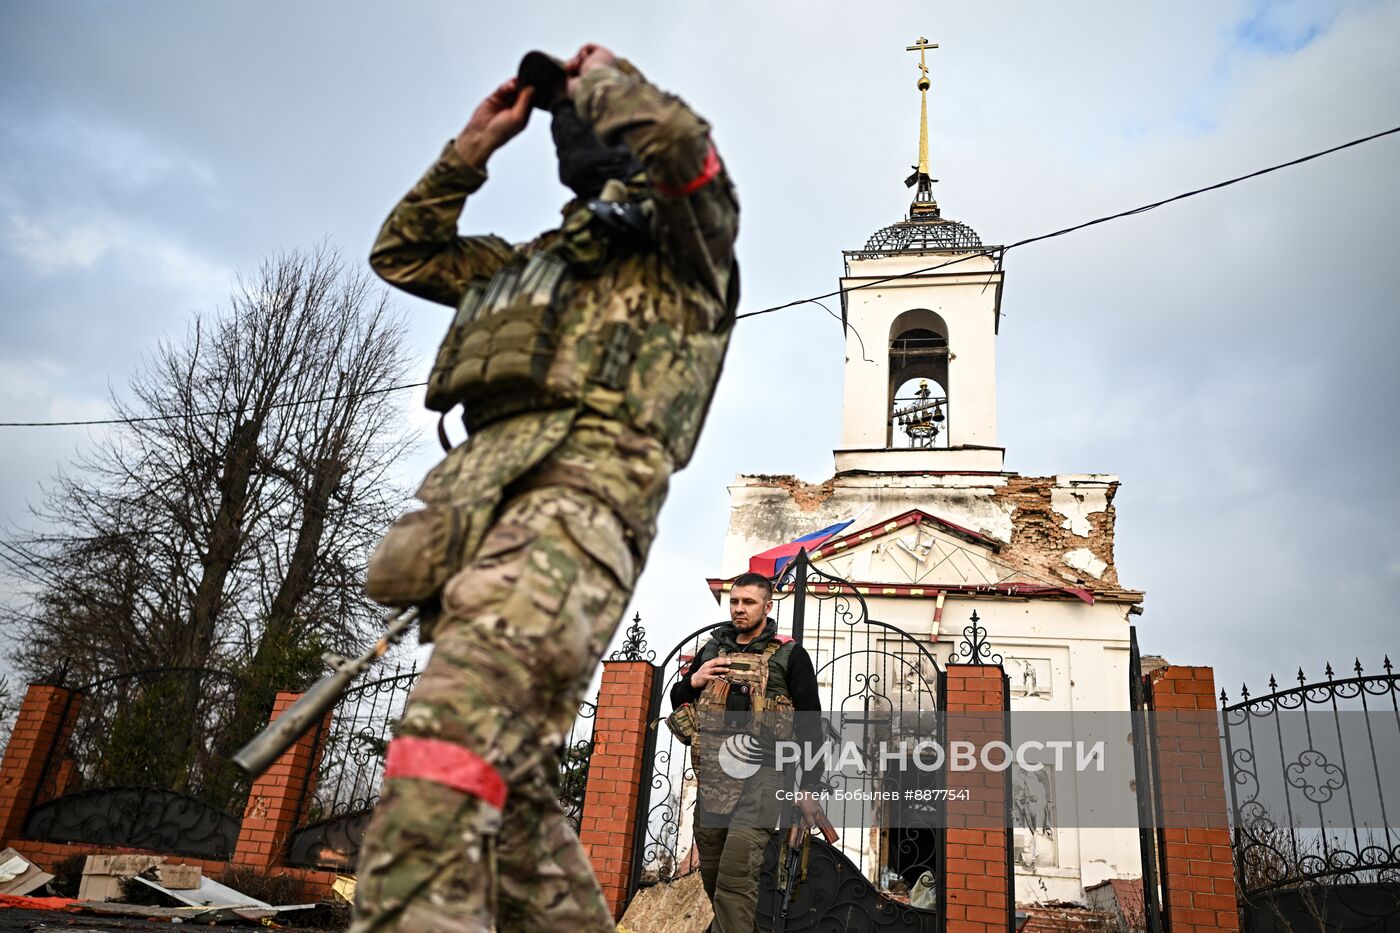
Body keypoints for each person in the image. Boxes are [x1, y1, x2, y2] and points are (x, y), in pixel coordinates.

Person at [350, 43, 739, 933]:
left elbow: (680, 143)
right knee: (511, 801)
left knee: (444, 752)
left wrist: (604, 81)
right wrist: (471, 147)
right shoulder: (525, 260)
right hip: (476, 524)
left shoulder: (689, 241)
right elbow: (401, 255)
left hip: (577, 518)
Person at [670, 572, 826, 932]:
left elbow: (810, 729)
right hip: (713, 775)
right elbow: (680, 704)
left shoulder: (790, 655)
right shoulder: (712, 650)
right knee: (712, 876)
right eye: (735, 602)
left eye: (749, 602)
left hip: (764, 776)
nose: (739, 609)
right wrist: (692, 681)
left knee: (736, 876)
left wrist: (809, 787)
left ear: (767, 606)